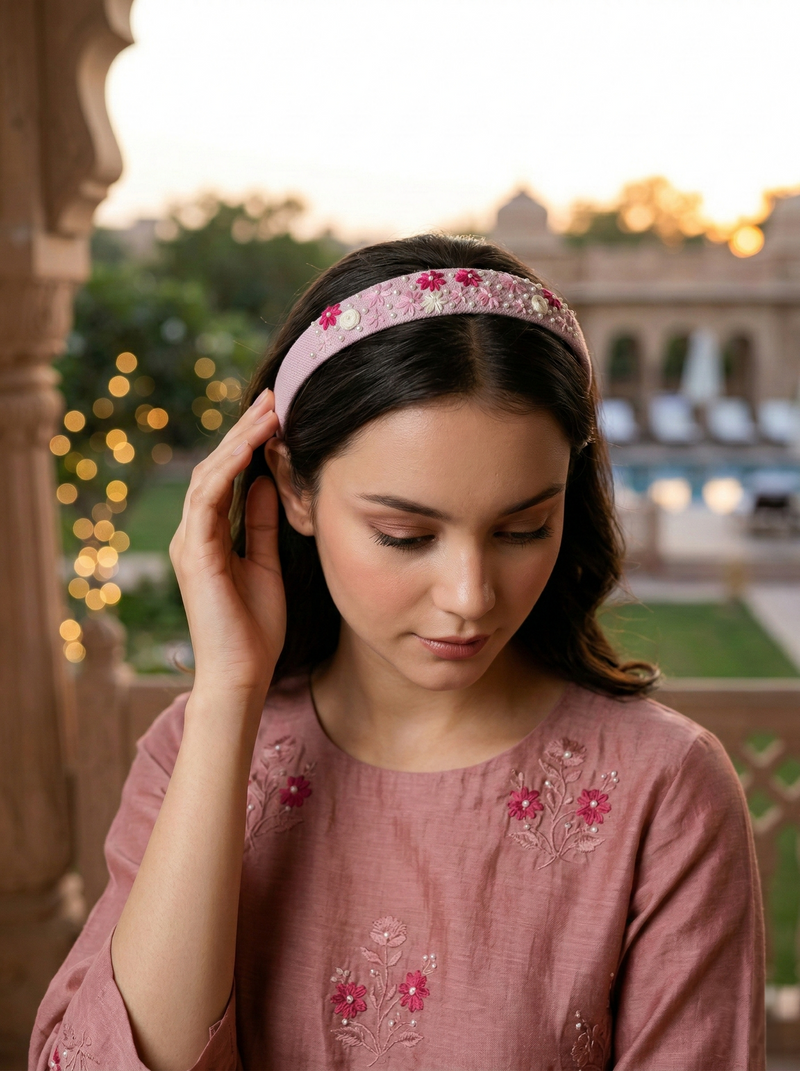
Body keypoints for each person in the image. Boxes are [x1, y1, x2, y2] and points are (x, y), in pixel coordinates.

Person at [31, 234, 765, 1071]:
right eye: (405, 534)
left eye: (524, 527)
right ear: (294, 487)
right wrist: (229, 695)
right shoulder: (190, 754)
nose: (471, 594)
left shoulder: (664, 791)